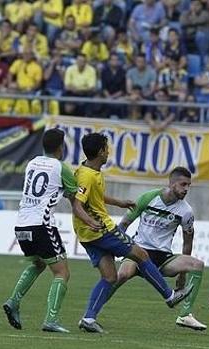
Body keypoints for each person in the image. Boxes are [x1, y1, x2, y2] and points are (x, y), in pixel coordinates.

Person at [73, 133, 193, 333]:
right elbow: (77, 205)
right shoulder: (87, 175)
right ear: (101, 151)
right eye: (106, 148)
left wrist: (120, 203)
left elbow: (95, 196)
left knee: (110, 277)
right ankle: (169, 296)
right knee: (141, 255)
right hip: (101, 230)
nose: (109, 151)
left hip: (86, 235)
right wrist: (90, 221)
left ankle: (88, 318)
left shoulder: (88, 170)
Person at [2, 128, 100, 333]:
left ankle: (13, 302)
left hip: (21, 224)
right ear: (60, 148)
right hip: (42, 224)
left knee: (38, 264)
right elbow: (76, 202)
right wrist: (90, 221)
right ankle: (51, 320)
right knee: (62, 272)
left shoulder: (31, 163)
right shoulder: (61, 168)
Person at [113, 167, 206, 331]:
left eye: (188, 186)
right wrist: (115, 248)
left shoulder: (186, 211)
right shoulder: (148, 198)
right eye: (183, 184)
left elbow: (187, 242)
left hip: (163, 258)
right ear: (171, 183)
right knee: (120, 276)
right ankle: (91, 315)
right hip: (138, 252)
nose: (186, 189)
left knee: (197, 265)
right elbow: (124, 224)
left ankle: (185, 315)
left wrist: (182, 275)